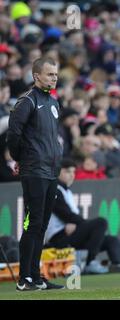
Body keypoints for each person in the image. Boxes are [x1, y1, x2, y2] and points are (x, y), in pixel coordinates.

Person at [6, 57, 64, 291]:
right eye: (50, 74)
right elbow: (13, 134)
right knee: (33, 224)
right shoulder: (27, 101)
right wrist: (20, 158)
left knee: (41, 226)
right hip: (34, 172)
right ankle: (24, 279)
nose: (54, 78)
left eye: (56, 74)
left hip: (50, 172)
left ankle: (36, 276)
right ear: (36, 76)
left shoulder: (53, 103)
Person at [44, 159, 120, 274]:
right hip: (59, 239)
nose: (71, 175)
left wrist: (81, 225)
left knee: (111, 240)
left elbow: (71, 218)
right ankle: (89, 262)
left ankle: (117, 265)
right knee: (101, 223)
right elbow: (66, 215)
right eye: (67, 172)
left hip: (72, 234)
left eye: (73, 172)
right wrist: (84, 225)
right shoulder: (53, 190)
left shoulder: (66, 191)